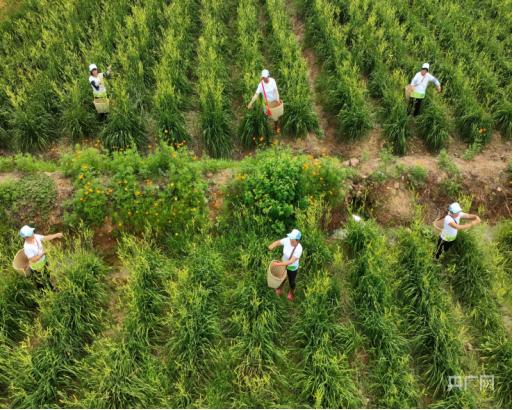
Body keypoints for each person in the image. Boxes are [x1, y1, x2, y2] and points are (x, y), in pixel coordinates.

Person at [20, 225, 63, 291]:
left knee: (47, 276)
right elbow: (33, 259)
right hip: (36, 268)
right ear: (26, 237)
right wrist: (44, 252)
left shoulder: (35, 237)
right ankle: (43, 294)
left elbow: (45, 238)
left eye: (32, 232)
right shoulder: (27, 247)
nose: (33, 234)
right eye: (30, 234)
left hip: (43, 262)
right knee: (40, 282)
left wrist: (56, 235)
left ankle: (52, 289)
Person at [268, 229, 303, 301]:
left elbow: (290, 261)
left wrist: (279, 264)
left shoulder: (299, 249)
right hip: (283, 264)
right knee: (282, 278)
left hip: (292, 267)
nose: (290, 240)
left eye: (292, 239)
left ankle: (291, 292)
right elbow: (278, 242)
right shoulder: (287, 240)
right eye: (290, 237)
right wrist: (272, 246)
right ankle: (281, 288)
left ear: (297, 240)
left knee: (291, 281)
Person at [247, 69, 282, 134]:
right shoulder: (261, 85)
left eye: (266, 77)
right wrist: (251, 102)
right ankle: (267, 127)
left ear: (268, 76)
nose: (265, 79)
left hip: (273, 101)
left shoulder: (272, 81)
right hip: (266, 102)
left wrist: (278, 99)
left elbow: (276, 91)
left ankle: (276, 126)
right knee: (266, 115)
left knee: (275, 115)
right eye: (263, 78)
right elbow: (256, 94)